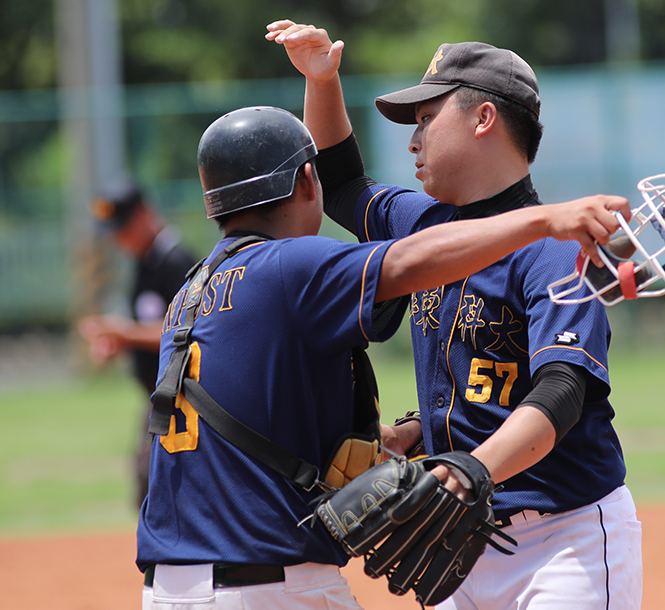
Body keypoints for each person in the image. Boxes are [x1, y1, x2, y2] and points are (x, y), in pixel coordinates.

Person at [135, 105, 631, 609]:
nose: (414, 140)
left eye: (426, 120)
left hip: (172, 585)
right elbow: (411, 257)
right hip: (270, 584)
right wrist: (547, 220)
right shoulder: (292, 266)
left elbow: (260, 405)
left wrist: (402, 434)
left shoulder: (193, 289)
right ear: (309, 181)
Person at [268, 21, 644, 610]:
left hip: (561, 537)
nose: (412, 141)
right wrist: (323, 80)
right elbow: (341, 185)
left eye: (425, 119)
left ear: (483, 118)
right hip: (461, 533)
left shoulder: (554, 249)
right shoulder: (426, 227)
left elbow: (562, 390)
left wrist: (470, 469)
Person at [79, 180, 198, 509]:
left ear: (145, 214)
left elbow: (188, 330)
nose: (119, 239)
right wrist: (117, 342)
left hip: (185, 398)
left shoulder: (175, 262)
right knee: (149, 487)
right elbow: (148, 328)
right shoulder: (146, 263)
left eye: (124, 228)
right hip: (158, 398)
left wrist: (123, 332)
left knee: (157, 490)